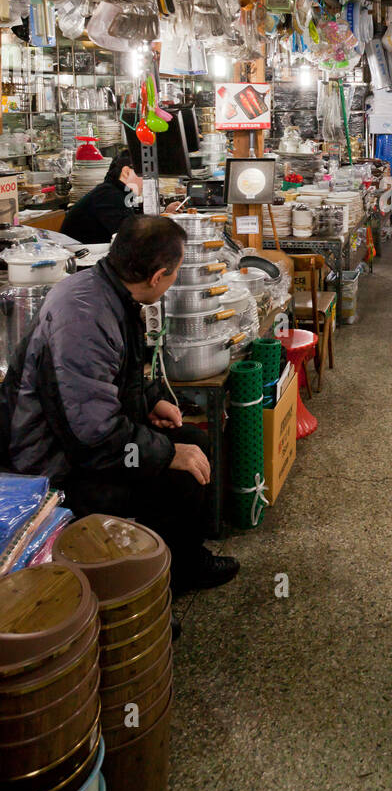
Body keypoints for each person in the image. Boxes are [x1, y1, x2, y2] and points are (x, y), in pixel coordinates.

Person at [0, 215, 239, 596]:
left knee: (194, 439)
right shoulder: (85, 317)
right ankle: (157, 589)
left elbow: (108, 380)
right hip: (55, 465)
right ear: (158, 276)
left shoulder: (104, 289)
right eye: (176, 272)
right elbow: (93, 435)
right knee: (177, 475)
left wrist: (151, 400)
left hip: (85, 439)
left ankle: (182, 560)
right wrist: (165, 454)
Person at [62, 148, 143, 244]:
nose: (147, 181)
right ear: (126, 172)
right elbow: (129, 234)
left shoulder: (113, 191)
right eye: (145, 174)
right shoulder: (108, 195)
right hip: (80, 253)